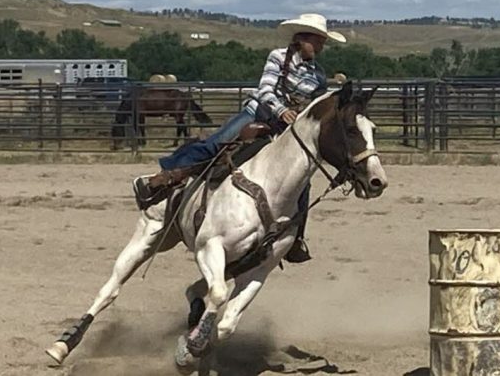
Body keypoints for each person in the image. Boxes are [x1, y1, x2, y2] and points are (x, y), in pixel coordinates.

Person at [131, 13, 347, 263]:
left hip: (285, 129)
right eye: (318, 41)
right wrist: (281, 110)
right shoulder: (277, 57)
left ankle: (295, 237)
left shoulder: (318, 74)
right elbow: (266, 89)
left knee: (302, 181)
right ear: (302, 40)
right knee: (217, 142)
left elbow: (315, 103)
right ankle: (163, 179)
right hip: (259, 113)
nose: (321, 46)